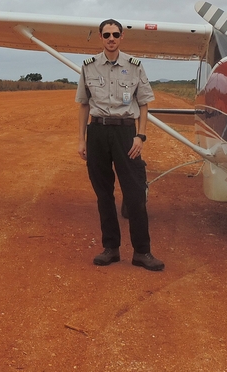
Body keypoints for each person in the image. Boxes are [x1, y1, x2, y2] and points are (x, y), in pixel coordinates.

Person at [76, 18, 164, 271]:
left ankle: (142, 252)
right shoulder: (88, 66)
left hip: (126, 134)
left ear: (122, 37)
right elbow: (83, 104)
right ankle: (111, 248)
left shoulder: (135, 66)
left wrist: (141, 136)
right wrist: (81, 139)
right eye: (106, 35)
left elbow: (144, 103)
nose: (111, 38)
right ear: (101, 38)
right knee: (103, 194)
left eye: (115, 34)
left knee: (135, 195)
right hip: (98, 132)